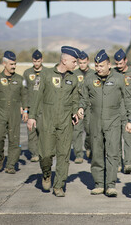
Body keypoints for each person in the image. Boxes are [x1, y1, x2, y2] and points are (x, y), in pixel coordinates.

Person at [78, 49, 131, 197]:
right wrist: (80, 108)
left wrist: (130, 120)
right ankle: (98, 184)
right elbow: (83, 97)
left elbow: (128, 99)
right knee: (96, 152)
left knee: (112, 153)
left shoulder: (118, 79)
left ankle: (110, 185)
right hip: (95, 120)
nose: (98, 68)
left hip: (114, 120)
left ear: (109, 65)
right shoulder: (90, 79)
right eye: (96, 65)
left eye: (101, 65)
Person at [27, 46, 82, 197]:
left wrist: (76, 111)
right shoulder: (45, 74)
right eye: (74, 61)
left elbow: (75, 99)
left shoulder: (74, 78)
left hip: (65, 122)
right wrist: (31, 116)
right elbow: (36, 96)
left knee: (64, 155)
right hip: (47, 121)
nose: (76, 64)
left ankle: (59, 186)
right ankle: (46, 174)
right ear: (64, 60)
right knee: (45, 155)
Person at [0, 51, 28, 174]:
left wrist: (25, 110)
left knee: (14, 139)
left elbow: (25, 96)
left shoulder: (20, 79)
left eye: (15, 64)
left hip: (14, 112)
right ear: (4, 64)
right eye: (11, 64)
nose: (14, 66)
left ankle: (11, 165)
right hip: (0, 111)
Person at [72, 50, 95, 164]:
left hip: (89, 106)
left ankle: (88, 147)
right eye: (80, 63)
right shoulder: (74, 74)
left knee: (90, 130)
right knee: (77, 131)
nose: (82, 65)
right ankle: (78, 154)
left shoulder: (94, 74)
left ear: (88, 62)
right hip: (77, 105)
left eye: (84, 62)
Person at [23, 49, 43, 162]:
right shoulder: (27, 73)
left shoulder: (47, 72)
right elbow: (24, 92)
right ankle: (34, 153)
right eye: (34, 61)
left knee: (43, 131)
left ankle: (42, 152)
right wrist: (24, 108)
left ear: (42, 60)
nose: (36, 63)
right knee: (31, 132)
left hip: (43, 107)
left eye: (38, 61)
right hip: (31, 107)